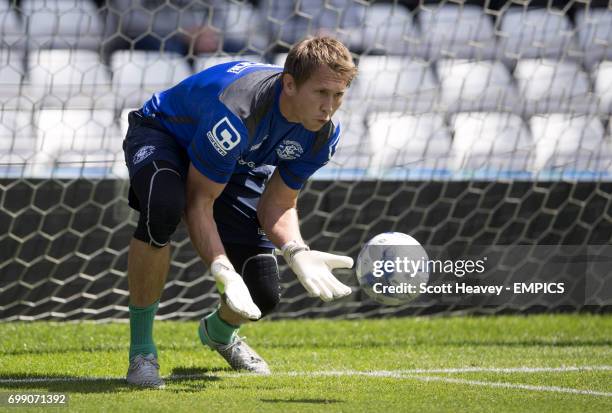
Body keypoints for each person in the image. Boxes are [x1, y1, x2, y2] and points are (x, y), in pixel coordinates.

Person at [122, 36, 358, 388]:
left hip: (235, 161)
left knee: (263, 293)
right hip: (165, 136)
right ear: (289, 84)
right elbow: (199, 203)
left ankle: (219, 333)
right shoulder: (240, 112)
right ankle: (142, 351)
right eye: (321, 93)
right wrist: (223, 273)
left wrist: (296, 251)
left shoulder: (324, 134)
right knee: (164, 209)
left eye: (338, 96)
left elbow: (278, 203)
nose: (329, 107)